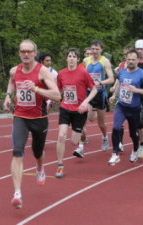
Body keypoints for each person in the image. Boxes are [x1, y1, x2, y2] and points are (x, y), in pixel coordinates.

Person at [3, 39, 61, 209]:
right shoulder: (14, 71)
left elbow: (57, 95)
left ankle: (40, 167)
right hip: (20, 116)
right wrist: (7, 96)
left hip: (39, 118)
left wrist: (36, 89)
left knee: (37, 152)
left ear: (35, 53)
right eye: (23, 51)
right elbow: (11, 83)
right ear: (19, 53)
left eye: (29, 51)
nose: (26, 54)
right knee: (17, 151)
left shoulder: (42, 72)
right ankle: (17, 193)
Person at [55, 48, 97, 178]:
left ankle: (82, 136)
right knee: (61, 136)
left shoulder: (83, 73)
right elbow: (59, 89)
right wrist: (50, 100)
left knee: (74, 141)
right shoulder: (61, 73)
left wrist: (86, 102)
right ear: (66, 58)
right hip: (65, 108)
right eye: (69, 56)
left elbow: (94, 89)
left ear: (78, 59)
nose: (71, 58)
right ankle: (60, 166)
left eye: (74, 56)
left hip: (79, 110)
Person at [108, 49, 143, 165]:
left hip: (134, 109)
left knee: (133, 134)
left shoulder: (142, 74)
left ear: (138, 60)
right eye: (129, 59)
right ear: (126, 60)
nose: (131, 61)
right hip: (121, 106)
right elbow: (119, 83)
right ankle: (115, 153)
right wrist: (114, 95)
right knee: (116, 127)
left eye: (133, 59)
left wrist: (136, 90)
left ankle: (135, 150)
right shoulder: (122, 72)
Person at [81, 40, 114, 152]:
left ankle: (105, 137)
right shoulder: (86, 60)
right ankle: (81, 146)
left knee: (101, 123)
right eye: (93, 49)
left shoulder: (105, 62)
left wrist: (99, 83)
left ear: (101, 50)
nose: (94, 51)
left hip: (100, 94)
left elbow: (111, 79)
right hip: (89, 94)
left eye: (97, 49)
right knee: (85, 118)